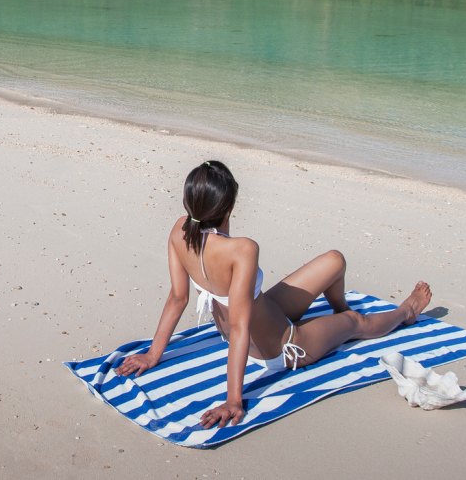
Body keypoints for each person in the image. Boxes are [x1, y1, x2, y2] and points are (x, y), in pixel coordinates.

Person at [115, 160, 432, 429]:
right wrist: (233, 400)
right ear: (229, 206)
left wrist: (154, 354)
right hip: (281, 346)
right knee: (355, 321)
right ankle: (405, 312)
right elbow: (240, 327)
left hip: (264, 313)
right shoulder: (242, 250)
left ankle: (336, 310)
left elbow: (177, 298)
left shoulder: (179, 229)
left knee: (334, 260)